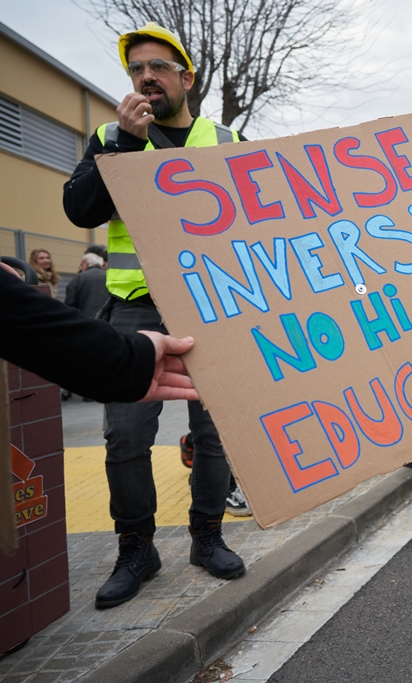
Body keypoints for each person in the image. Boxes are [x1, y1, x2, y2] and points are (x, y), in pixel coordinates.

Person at [62, 22, 246, 608]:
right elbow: (78, 208)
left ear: (185, 77)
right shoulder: (111, 136)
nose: (146, 77)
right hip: (135, 310)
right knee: (124, 435)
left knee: (216, 433)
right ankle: (136, 547)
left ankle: (207, 535)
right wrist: (120, 145)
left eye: (158, 67)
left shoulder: (225, 137)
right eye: (136, 69)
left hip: (210, 306)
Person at [1, 264, 197, 404]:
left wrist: (125, 360)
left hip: (108, 330)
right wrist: (125, 359)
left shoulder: (80, 280)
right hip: (129, 307)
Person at [65, 252, 109, 321]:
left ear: (85, 264)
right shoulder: (109, 278)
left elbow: (70, 306)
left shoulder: (77, 279)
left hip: (85, 324)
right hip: (107, 323)